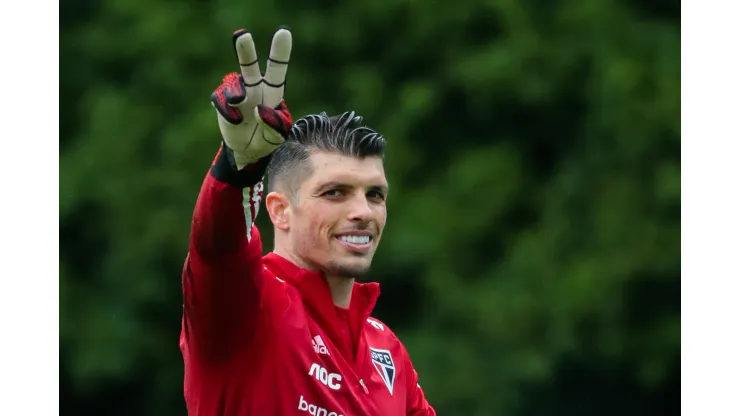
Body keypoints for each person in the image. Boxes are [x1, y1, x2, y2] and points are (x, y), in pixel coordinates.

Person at [179, 26, 436, 416]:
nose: (363, 212)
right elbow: (217, 249)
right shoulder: (248, 307)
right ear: (280, 209)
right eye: (335, 192)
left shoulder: (386, 350)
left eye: (375, 195)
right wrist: (239, 170)